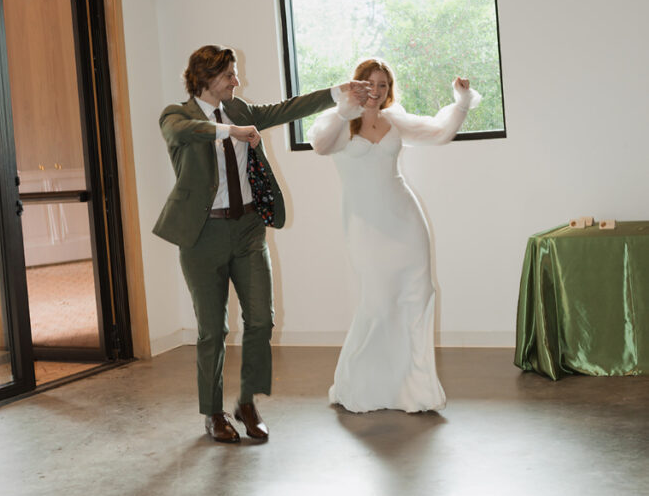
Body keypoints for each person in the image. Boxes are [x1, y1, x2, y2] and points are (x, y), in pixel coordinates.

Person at [153, 44, 369, 443]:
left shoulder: (241, 109)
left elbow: (285, 109)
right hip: (202, 236)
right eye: (230, 75)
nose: (238, 81)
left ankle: (247, 402)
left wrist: (338, 92)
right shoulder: (176, 115)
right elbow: (180, 133)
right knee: (211, 331)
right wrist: (227, 132)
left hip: (249, 228)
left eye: (235, 74)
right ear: (205, 78)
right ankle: (213, 413)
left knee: (261, 319)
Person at [308, 58, 480, 414]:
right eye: (370, 84)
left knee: (416, 298)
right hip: (364, 225)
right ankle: (364, 385)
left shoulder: (394, 120)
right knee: (376, 302)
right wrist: (343, 109)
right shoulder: (340, 122)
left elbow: (438, 132)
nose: (377, 91)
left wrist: (461, 101)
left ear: (389, 89)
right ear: (357, 85)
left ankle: (413, 389)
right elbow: (321, 146)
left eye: (383, 85)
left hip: (405, 221)